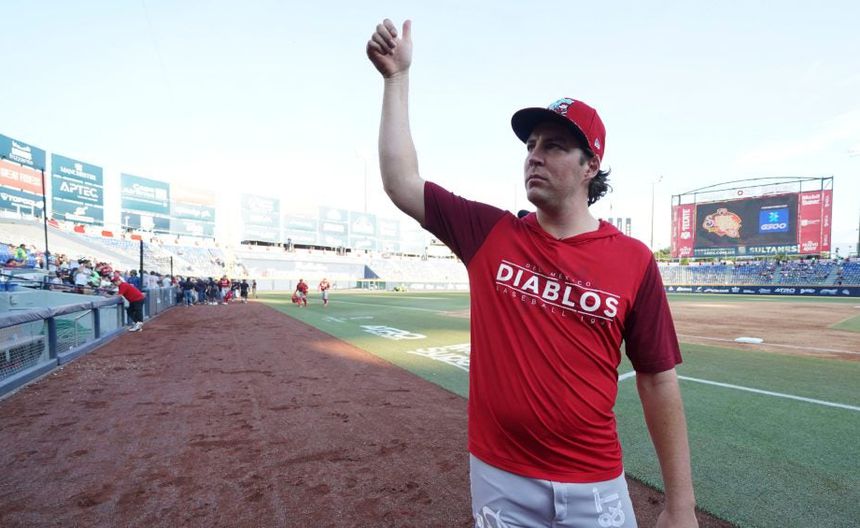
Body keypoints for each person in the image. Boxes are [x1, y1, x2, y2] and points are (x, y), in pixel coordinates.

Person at [367, 19, 698, 528]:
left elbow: (657, 380)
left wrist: (680, 504)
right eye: (530, 145)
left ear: (590, 166)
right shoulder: (489, 233)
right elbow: (401, 181)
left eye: (553, 146)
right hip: (501, 478)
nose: (534, 157)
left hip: (595, 482)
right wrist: (396, 78)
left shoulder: (634, 260)